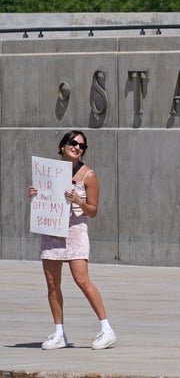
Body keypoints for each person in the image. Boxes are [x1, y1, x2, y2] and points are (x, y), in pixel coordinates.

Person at [28, 130, 117, 350]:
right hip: (51, 230)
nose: (77, 147)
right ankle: (59, 333)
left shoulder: (88, 175)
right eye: (73, 143)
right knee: (52, 284)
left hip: (75, 230)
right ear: (62, 146)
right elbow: (46, 199)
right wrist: (35, 194)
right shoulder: (49, 172)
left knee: (82, 280)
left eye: (82, 146)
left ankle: (106, 329)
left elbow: (93, 211)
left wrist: (78, 199)